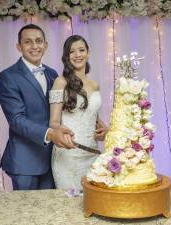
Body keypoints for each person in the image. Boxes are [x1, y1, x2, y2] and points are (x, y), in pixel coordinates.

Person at [0, 24, 75, 190]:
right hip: (24, 162)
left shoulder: (52, 74)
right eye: (28, 42)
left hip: (52, 159)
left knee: (50, 212)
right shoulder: (7, 76)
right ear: (19, 46)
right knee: (25, 213)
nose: (34, 46)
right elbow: (17, 120)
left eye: (39, 41)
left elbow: (61, 109)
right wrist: (51, 134)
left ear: (45, 45)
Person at [49, 35, 108, 190]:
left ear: (88, 52)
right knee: (69, 205)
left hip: (93, 154)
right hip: (69, 153)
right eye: (72, 52)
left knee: (93, 202)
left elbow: (93, 117)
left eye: (81, 50)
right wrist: (61, 131)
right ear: (67, 56)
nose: (77, 55)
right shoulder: (60, 82)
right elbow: (53, 121)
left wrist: (106, 130)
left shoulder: (95, 85)